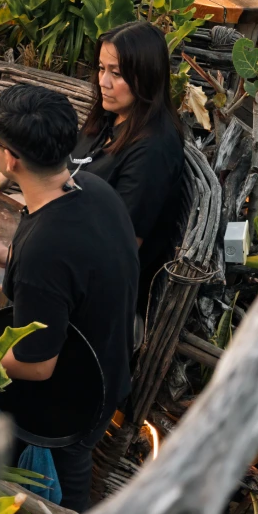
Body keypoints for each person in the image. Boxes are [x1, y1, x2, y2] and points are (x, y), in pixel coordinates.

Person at [0, 84, 139, 512]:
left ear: (10, 158)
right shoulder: (94, 191)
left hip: (72, 403)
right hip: (111, 364)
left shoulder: (45, 246)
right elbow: (72, 278)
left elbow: (38, 366)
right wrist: (6, 255)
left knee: (65, 492)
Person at [70, 21, 184, 314]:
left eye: (117, 74)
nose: (103, 82)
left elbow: (120, 247)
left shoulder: (153, 150)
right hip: (67, 250)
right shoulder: (111, 118)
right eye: (100, 68)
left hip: (96, 296)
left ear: (147, 77)